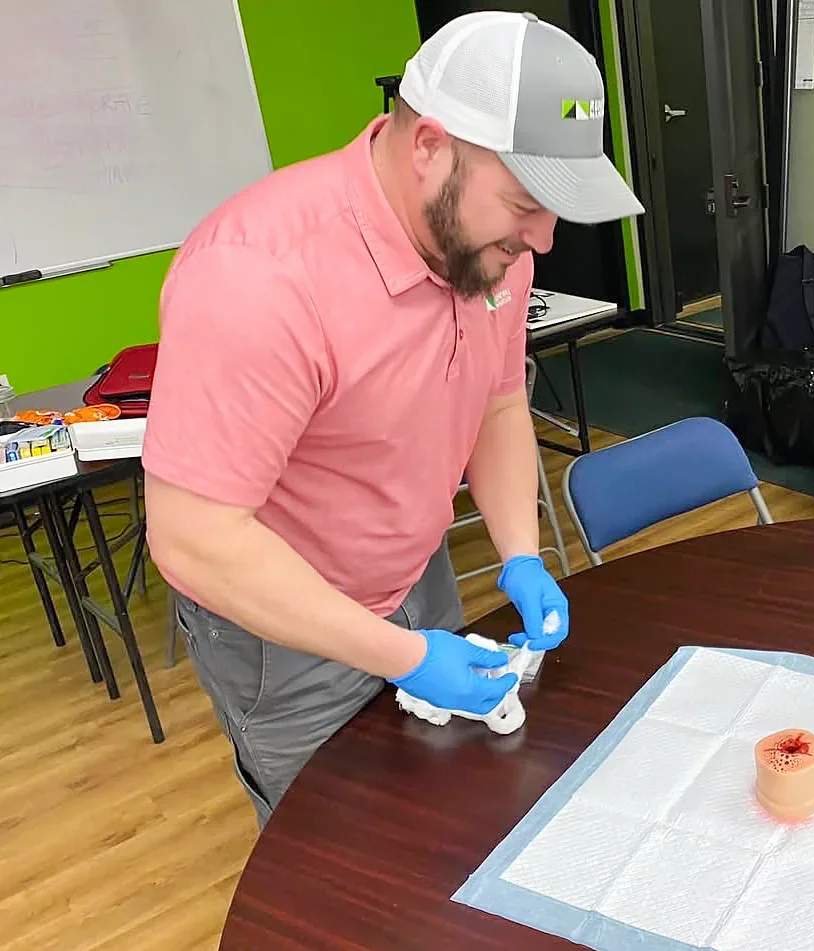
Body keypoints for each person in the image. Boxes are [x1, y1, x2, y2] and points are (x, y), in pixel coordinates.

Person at [142, 11, 644, 827]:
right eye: (524, 203)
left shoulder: (491, 247)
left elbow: (498, 399)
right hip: (282, 626)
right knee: (340, 855)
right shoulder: (254, 278)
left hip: (418, 570)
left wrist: (519, 551)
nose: (543, 240)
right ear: (429, 148)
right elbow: (196, 537)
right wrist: (404, 655)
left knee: (453, 812)